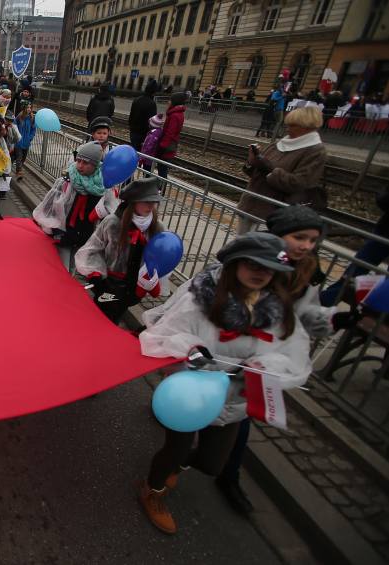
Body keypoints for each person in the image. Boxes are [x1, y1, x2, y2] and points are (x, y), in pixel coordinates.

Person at [137, 232, 312, 534]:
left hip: (234, 399)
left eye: (269, 268)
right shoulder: (199, 299)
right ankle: (152, 490)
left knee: (212, 464)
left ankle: (177, 466)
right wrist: (190, 348)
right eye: (253, 265)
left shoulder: (278, 310)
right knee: (174, 450)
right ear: (235, 264)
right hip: (189, 395)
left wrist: (266, 367)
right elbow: (162, 333)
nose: (261, 273)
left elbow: (291, 353)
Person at [215, 205, 361, 514]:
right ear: (279, 235)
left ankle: (229, 476)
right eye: (299, 237)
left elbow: (304, 314)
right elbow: (213, 292)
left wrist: (334, 319)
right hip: (224, 345)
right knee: (208, 400)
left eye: (313, 240)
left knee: (240, 415)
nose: (306, 246)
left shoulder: (306, 274)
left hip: (261, 355)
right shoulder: (248, 258)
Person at [75, 177, 167, 324]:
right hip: (109, 284)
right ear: (133, 202)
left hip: (134, 287)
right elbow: (93, 248)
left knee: (115, 317)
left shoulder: (158, 228)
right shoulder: (113, 222)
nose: (151, 206)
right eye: (146, 201)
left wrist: (148, 282)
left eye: (154, 201)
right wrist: (96, 277)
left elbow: (161, 258)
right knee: (99, 319)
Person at [236, 106, 327, 234]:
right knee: (241, 242)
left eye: (292, 125)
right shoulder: (279, 144)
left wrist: (270, 169)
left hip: (272, 213)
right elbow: (258, 172)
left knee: (258, 245)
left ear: (307, 127)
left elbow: (298, 183)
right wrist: (252, 162)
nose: (287, 128)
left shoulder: (315, 151)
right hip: (250, 204)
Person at [32, 141, 112, 272]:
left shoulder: (102, 185)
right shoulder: (68, 179)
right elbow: (51, 202)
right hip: (64, 230)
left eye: (85, 163)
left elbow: (106, 211)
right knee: (61, 268)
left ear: (95, 165)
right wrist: (49, 224)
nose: (80, 165)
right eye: (78, 161)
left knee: (74, 266)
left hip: (85, 232)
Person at [320, 189, 389, 306]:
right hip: (384, 233)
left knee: (383, 285)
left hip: (383, 233)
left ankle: (375, 312)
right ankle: (326, 301)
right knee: (355, 270)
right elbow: (383, 199)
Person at [155, 92, 186, 179]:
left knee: (162, 168)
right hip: (170, 144)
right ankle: (162, 185)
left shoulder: (174, 115)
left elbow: (170, 133)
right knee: (162, 167)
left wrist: (162, 147)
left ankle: (162, 186)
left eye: (170, 100)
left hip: (167, 146)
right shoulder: (178, 114)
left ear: (175, 101)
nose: (168, 102)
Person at [129, 80, 159, 151]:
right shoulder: (152, 103)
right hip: (143, 134)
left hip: (133, 131)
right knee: (141, 152)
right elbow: (152, 121)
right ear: (154, 92)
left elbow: (131, 115)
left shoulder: (136, 100)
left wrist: (131, 127)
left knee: (134, 150)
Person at [14, 105, 36, 181]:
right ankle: (19, 172)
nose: (29, 109)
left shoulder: (32, 118)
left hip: (26, 142)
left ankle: (18, 169)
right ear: (24, 108)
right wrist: (17, 136)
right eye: (27, 107)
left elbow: (33, 129)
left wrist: (30, 138)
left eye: (30, 108)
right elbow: (14, 126)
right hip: (19, 141)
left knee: (23, 158)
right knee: (19, 157)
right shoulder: (19, 117)